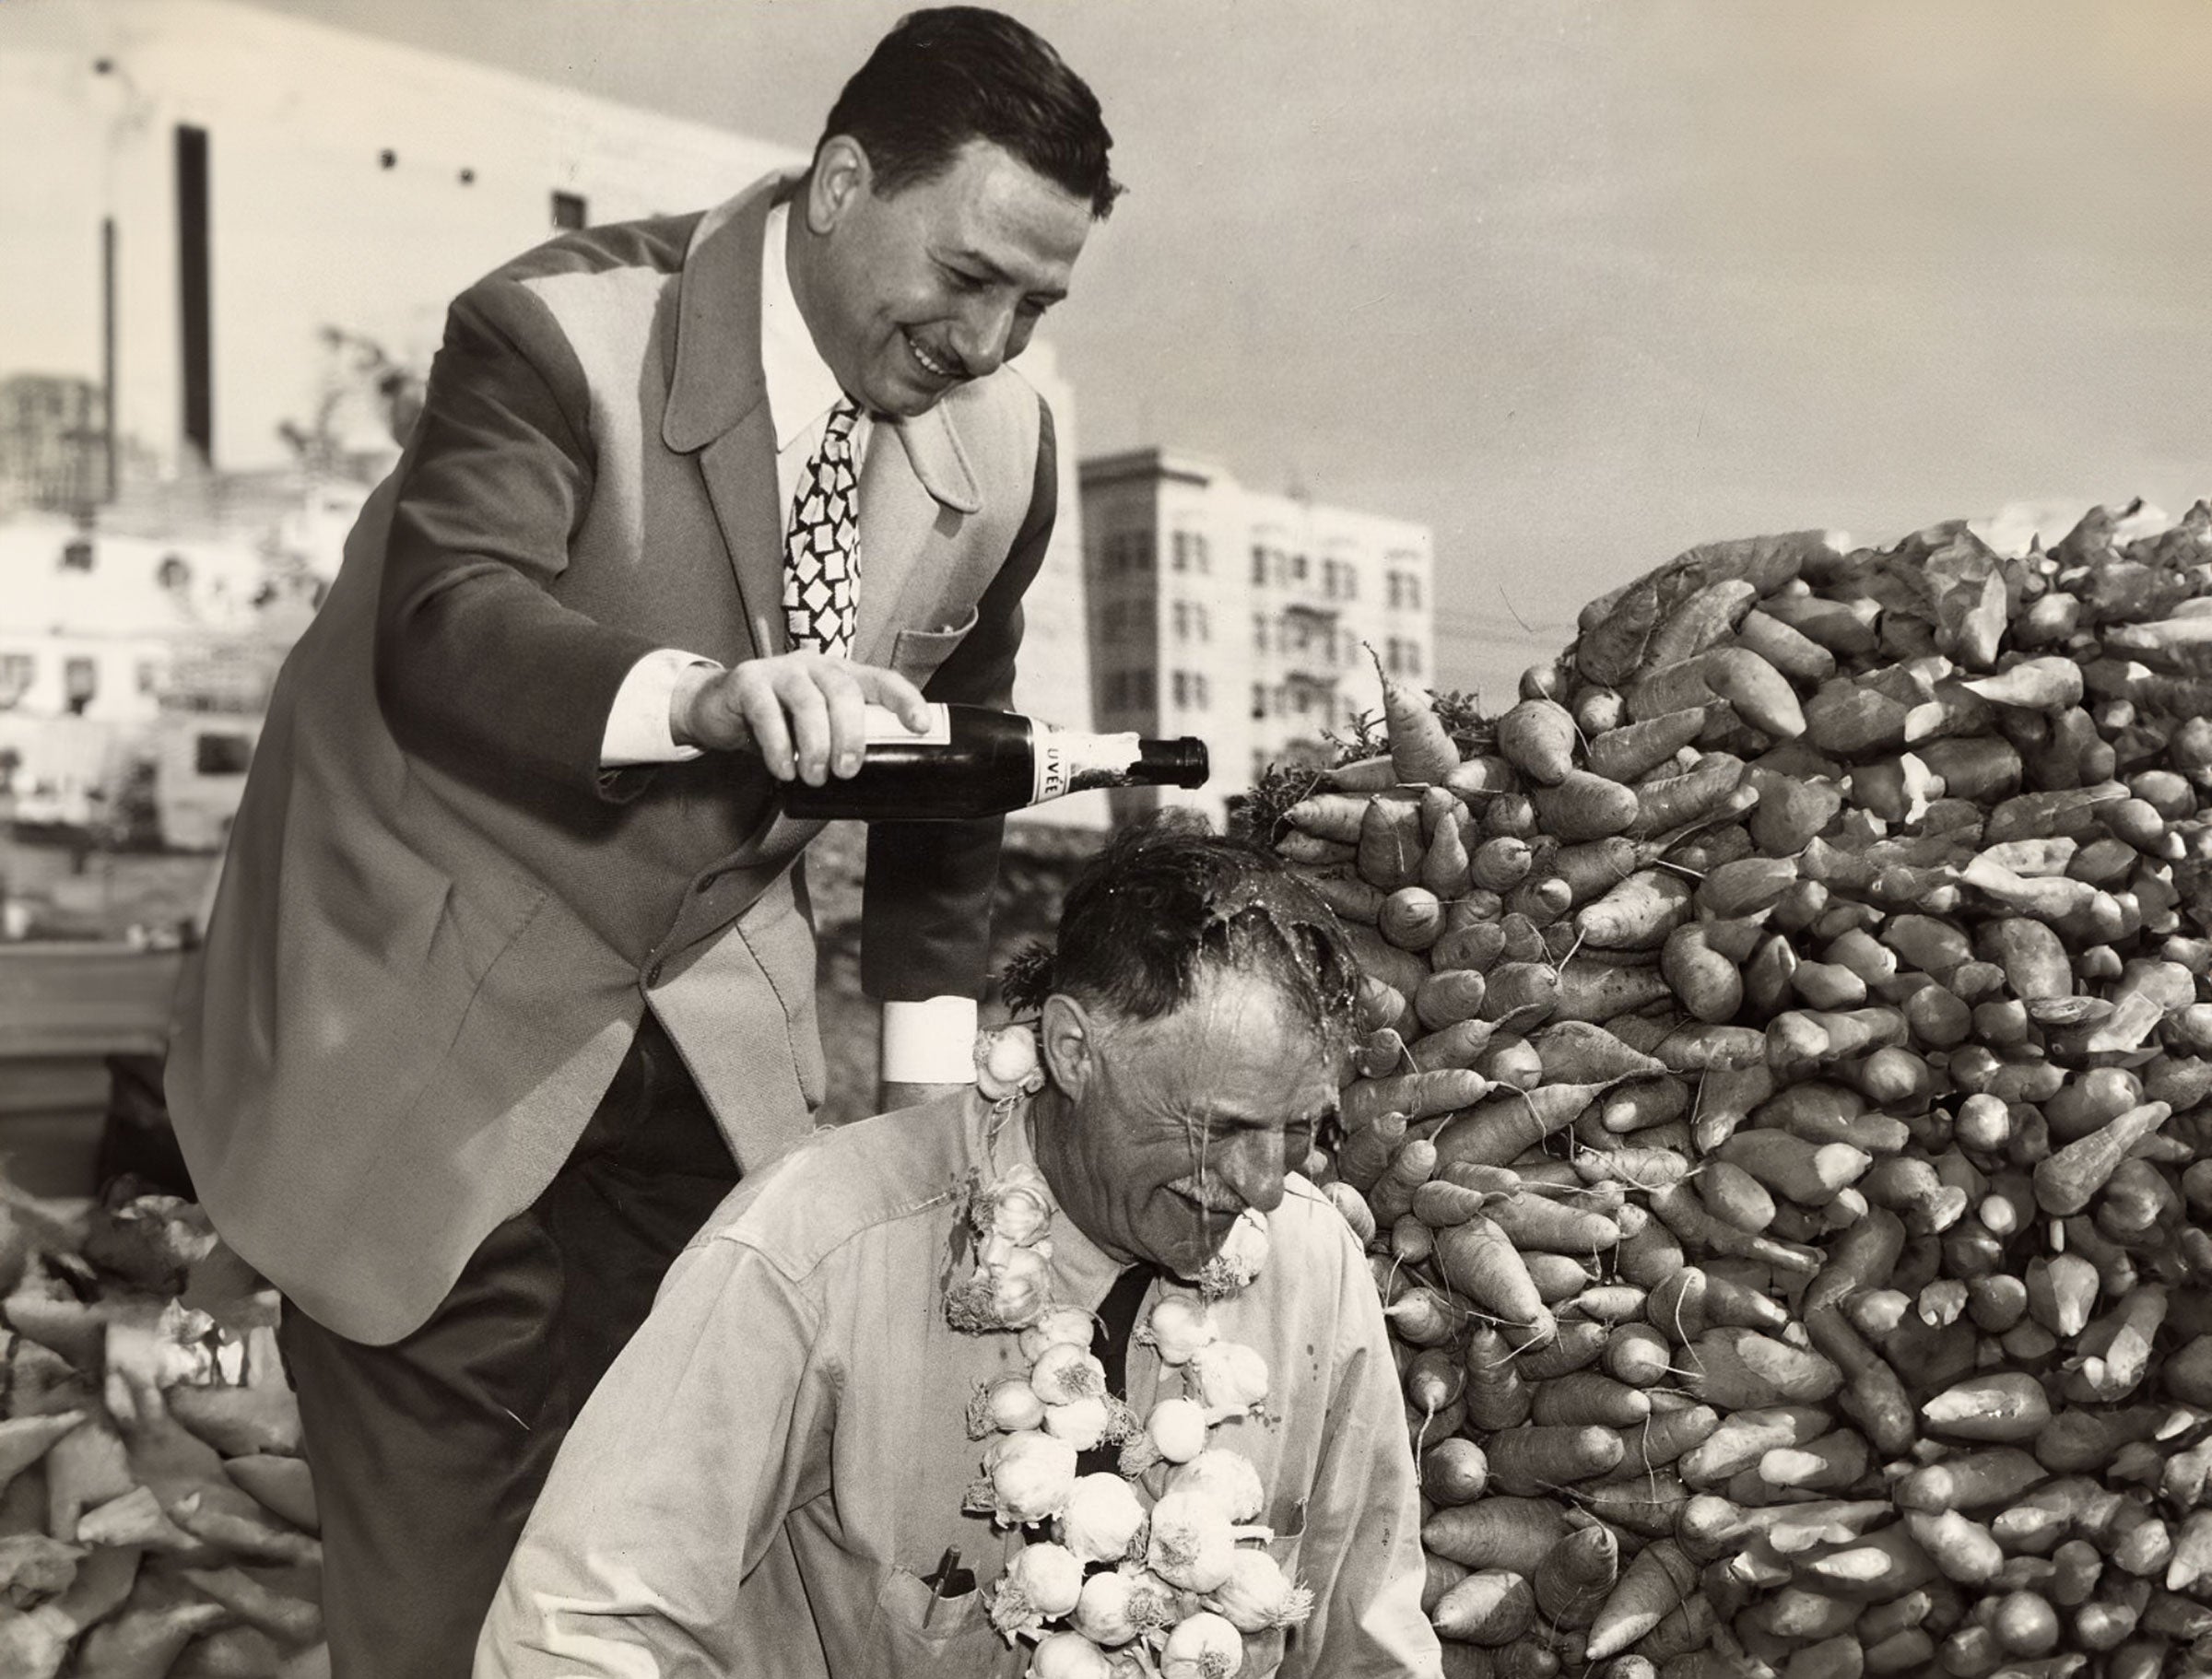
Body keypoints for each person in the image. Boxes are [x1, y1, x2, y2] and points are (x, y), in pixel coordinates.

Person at [161, 9, 1120, 1673]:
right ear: (835, 186)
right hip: (417, 992)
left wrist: (921, 1114)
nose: (989, 339)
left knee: (684, 1512)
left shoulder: (1012, 450)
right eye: (967, 276)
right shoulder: (555, 332)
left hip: (700, 1017)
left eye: (1037, 302)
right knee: (453, 1573)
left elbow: (950, 794)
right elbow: (447, 630)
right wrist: (700, 700)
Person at [477, 816, 1443, 1677]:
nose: (1265, 1182)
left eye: (1296, 1129)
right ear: (1072, 1051)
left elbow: (1370, 1644)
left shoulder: (1312, 1262)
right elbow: (574, 1631)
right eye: (1219, 1128)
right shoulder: (817, 1246)